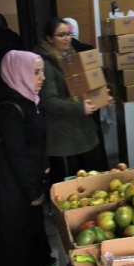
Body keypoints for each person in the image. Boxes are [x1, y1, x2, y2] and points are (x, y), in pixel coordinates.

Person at [0, 50, 57, 266]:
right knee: (19, 226)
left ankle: (38, 259)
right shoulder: (9, 108)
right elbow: (17, 154)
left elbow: (34, 140)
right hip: (11, 179)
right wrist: (33, 189)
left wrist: (43, 164)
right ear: (19, 73)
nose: (42, 77)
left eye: (42, 71)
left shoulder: (28, 99)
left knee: (32, 222)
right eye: (36, 72)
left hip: (25, 172)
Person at [36, 17, 109, 184]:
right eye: (61, 35)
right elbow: (49, 101)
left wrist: (100, 97)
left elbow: (82, 87)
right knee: (70, 183)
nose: (67, 38)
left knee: (91, 179)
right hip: (63, 136)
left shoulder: (71, 56)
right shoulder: (45, 64)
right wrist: (79, 107)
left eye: (68, 34)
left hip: (83, 129)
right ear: (49, 38)